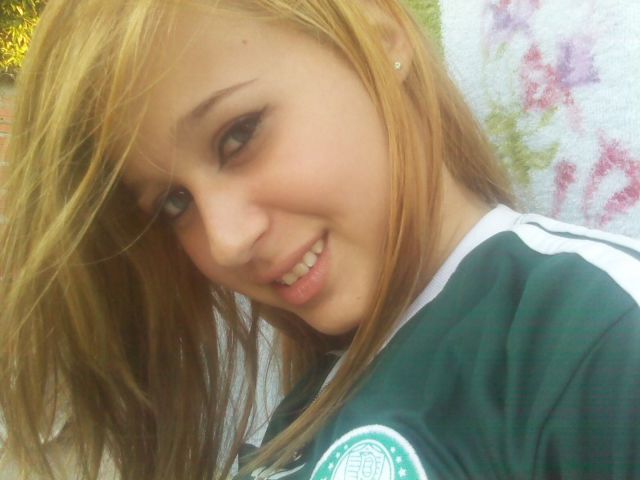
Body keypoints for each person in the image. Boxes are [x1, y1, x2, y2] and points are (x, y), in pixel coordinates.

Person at [1, 0, 639, 479]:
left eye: (238, 134)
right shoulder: (305, 406)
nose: (225, 243)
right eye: (175, 202)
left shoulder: (589, 338)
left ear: (380, 34)